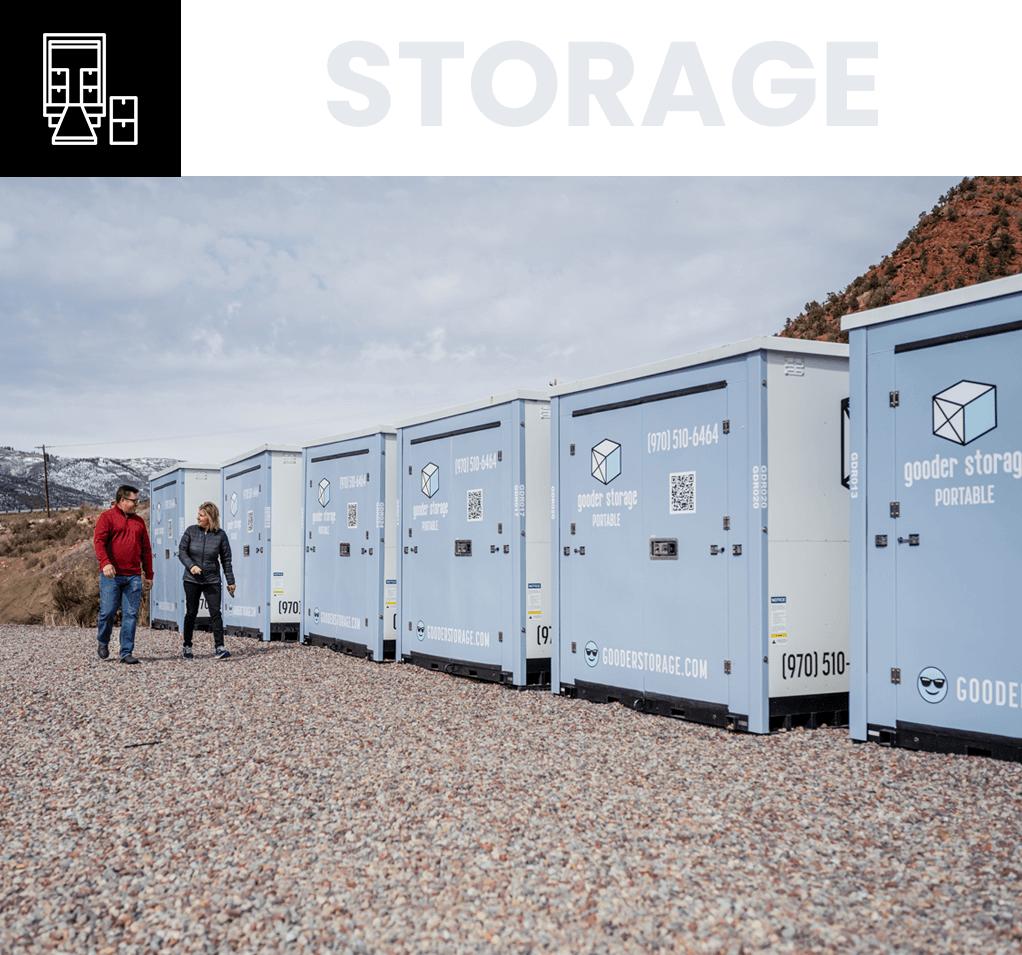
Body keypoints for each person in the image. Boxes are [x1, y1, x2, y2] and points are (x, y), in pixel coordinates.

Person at [93, 485, 153, 664]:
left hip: (133, 576)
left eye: (137, 501)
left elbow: (146, 549)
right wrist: (105, 564)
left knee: (131, 615)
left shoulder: (139, 522)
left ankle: (126, 652)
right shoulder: (106, 518)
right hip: (111, 575)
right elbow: (99, 542)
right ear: (122, 501)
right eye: (134, 501)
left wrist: (148, 574)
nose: (137, 504)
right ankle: (103, 641)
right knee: (108, 611)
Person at [177, 501, 235, 660]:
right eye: (198, 514)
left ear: (210, 518)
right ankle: (187, 647)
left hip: (212, 580)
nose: (197, 517)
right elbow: (182, 552)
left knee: (216, 613)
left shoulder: (220, 535)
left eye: (201, 515)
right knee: (191, 613)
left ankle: (220, 648)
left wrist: (231, 581)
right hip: (191, 579)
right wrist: (191, 566)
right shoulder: (191, 531)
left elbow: (226, 560)